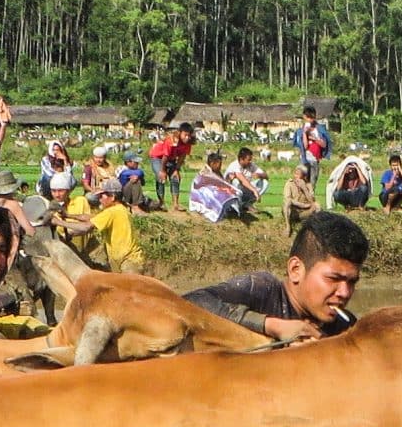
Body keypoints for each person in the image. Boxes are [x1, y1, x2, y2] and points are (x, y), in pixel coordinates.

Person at [184, 212, 364, 342]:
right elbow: (189, 302)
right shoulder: (262, 291)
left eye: (352, 282)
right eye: (333, 279)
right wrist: (271, 326)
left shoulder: (346, 329)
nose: (344, 292)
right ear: (296, 270)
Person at [83, 179, 144, 272]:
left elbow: (86, 227)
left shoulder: (112, 211)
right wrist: (68, 215)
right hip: (125, 260)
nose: (99, 199)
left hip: (127, 263)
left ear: (112, 197)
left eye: (101, 196)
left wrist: (60, 223)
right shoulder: (119, 209)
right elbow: (93, 218)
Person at [292, 106, 332, 188]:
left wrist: (313, 138)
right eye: (308, 117)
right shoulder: (301, 131)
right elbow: (305, 146)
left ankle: (310, 199)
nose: (310, 120)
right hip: (304, 159)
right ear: (304, 117)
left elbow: (324, 144)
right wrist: (305, 134)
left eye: (312, 117)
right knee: (301, 182)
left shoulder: (319, 129)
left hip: (315, 159)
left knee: (312, 184)